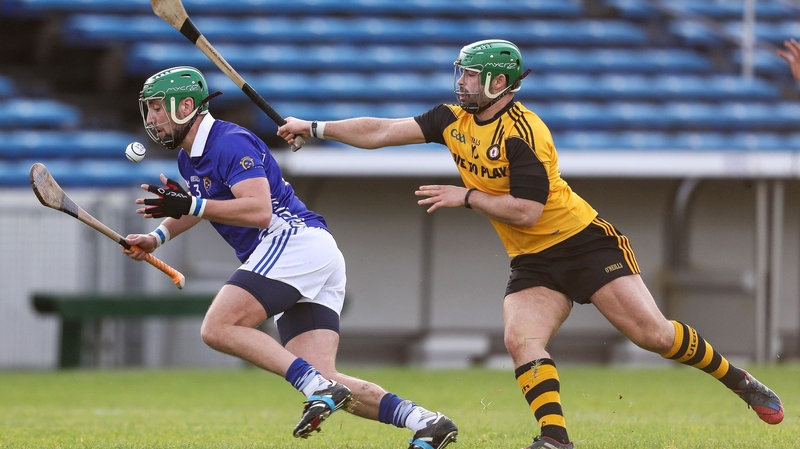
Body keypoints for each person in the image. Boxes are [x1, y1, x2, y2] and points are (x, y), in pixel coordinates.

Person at [277, 39, 785, 449]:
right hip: (533, 259)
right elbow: (384, 129)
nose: (462, 82)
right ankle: (555, 438)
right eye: (462, 74)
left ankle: (739, 380)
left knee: (654, 337)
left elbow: (528, 210)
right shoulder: (451, 119)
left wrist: (467, 196)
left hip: (585, 244)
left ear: (500, 83)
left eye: (472, 76)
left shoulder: (524, 132)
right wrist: (316, 127)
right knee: (521, 340)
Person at [121, 66, 458, 449]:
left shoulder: (229, 141)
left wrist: (193, 203)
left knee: (219, 328)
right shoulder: (189, 158)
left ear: (185, 106)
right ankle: (426, 421)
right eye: (148, 110)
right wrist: (157, 236)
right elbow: (197, 206)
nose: (151, 119)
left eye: (156, 108)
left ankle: (318, 387)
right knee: (325, 375)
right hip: (309, 253)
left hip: (293, 243)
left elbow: (258, 211)